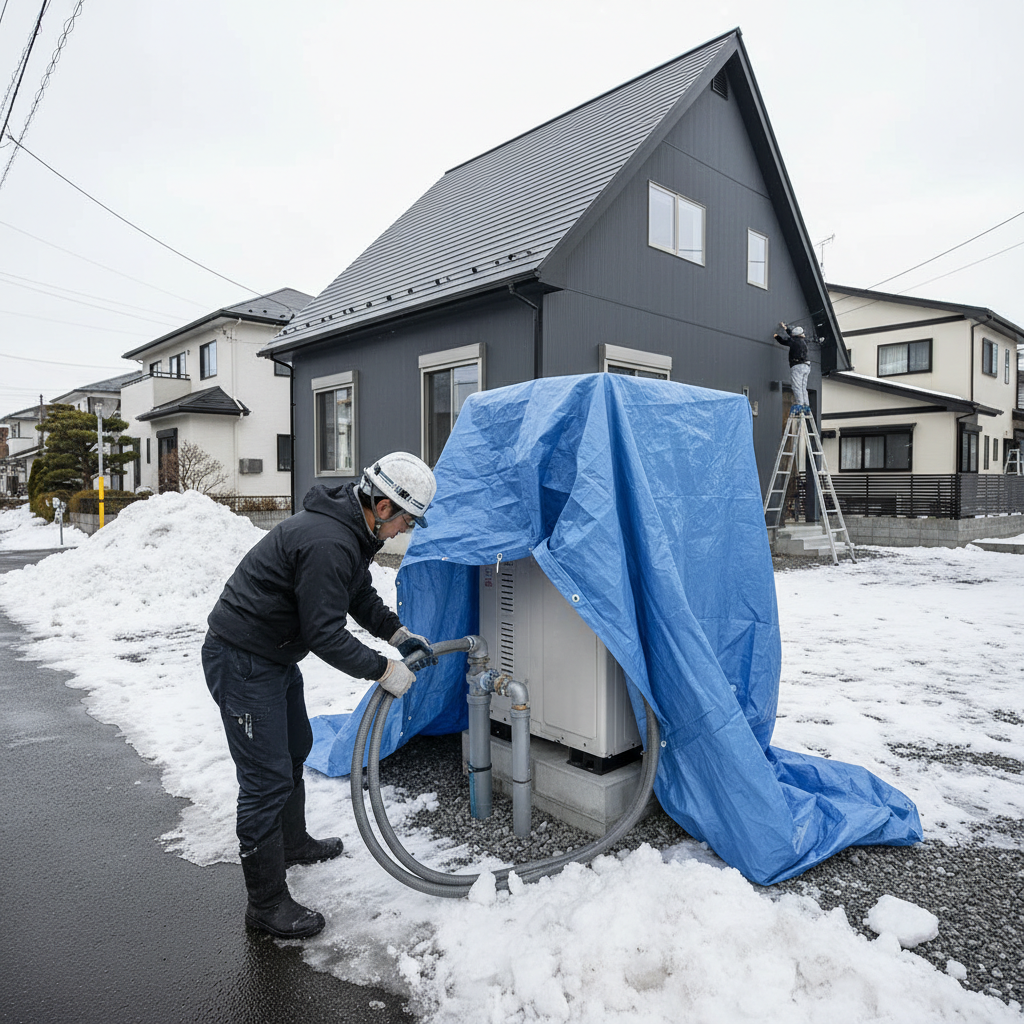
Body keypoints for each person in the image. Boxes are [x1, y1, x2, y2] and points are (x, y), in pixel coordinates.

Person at [202, 452, 437, 939]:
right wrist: (383, 670)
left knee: (295, 750)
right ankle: (266, 904)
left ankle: (292, 844)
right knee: (265, 780)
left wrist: (396, 634)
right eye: (407, 521)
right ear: (382, 506)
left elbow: (357, 595)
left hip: (272, 656)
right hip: (243, 660)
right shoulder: (329, 540)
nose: (404, 531)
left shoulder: (351, 531)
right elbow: (325, 634)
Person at [774, 322, 812, 413]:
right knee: (803, 387)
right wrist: (785, 328)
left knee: (796, 386)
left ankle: (799, 404)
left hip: (797, 365)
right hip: (806, 366)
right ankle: (806, 405)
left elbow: (783, 341)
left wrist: (776, 336)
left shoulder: (794, 341)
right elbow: (792, 335)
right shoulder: (804, 341)